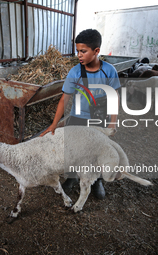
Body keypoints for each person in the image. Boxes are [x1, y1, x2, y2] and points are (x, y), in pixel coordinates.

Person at [40, 29, 121, 199]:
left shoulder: (109, 71)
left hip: (99, 119)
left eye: (83, 51)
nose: (79, 55)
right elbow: (64, 100)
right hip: (77, 118)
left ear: (96, 51)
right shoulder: (75, 72)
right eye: (77, 51)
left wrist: (112, 122)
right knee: (71, 149)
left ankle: (97, 180)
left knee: (98, 150)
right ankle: (71, 178)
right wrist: (54, 124)